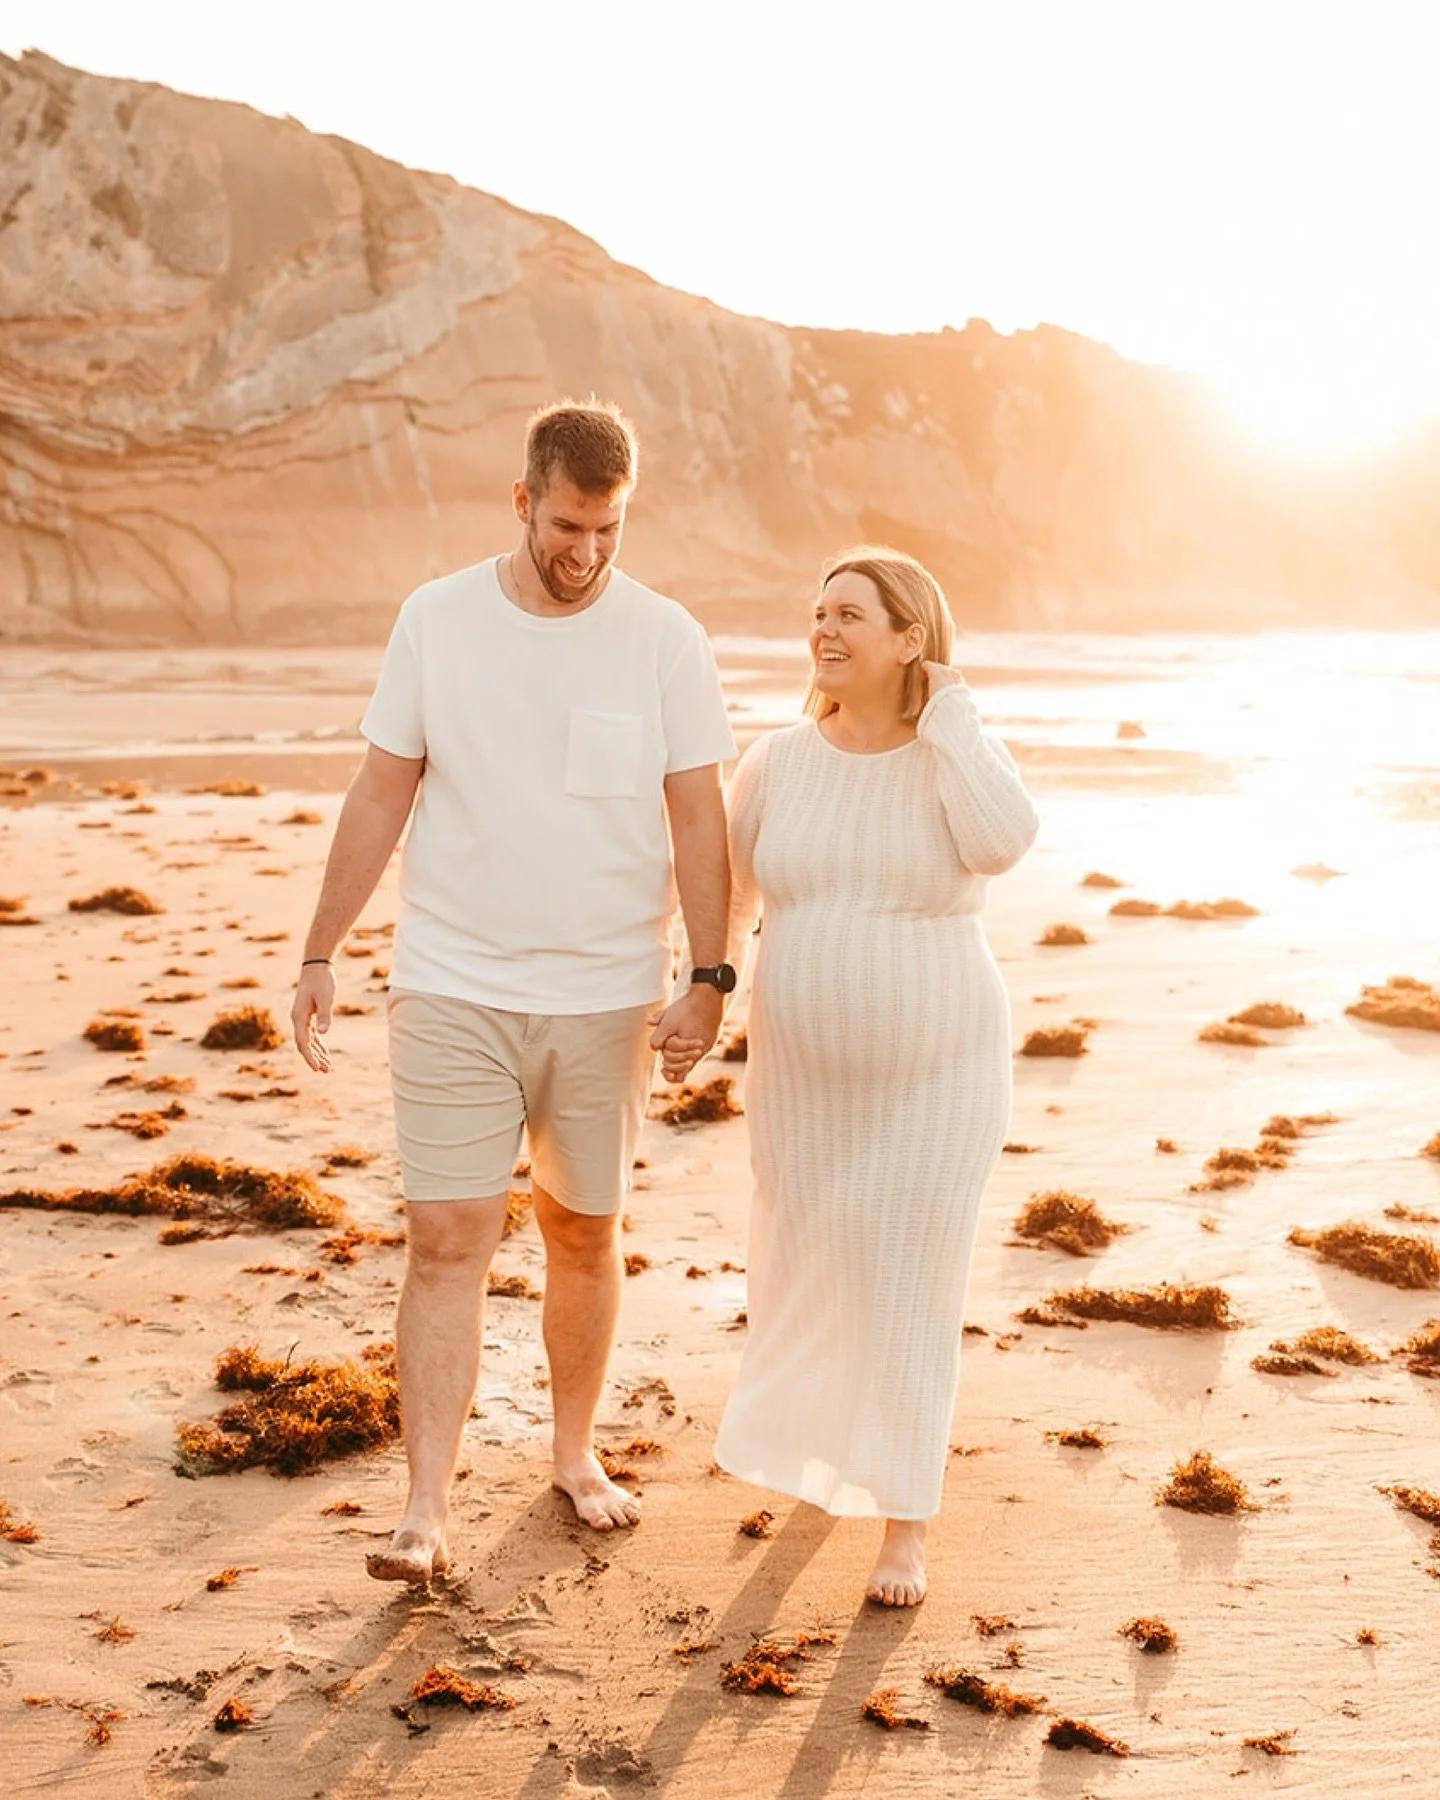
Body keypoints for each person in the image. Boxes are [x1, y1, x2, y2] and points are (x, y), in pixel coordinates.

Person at [291, 399, 737, 1584]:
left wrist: (709, 977)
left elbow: (698, 813)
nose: (586, 553)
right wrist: (320, 950)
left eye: (610, 529)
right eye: (570, 525)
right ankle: (424, 1509)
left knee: (583, 1230)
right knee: (447, 1238)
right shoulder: (437, 621)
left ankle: (574, 1452)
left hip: (605, 995)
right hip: (451, 981)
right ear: (524, 500)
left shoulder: (664, 639)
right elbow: (382, 790)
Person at [713, 546, 1038, 1606]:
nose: (825, 629)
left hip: (940, 1069)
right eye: (818, 612)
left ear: (911, 637)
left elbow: (1004, 841)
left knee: (906, 1276)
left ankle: (905, 1521)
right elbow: (726, 895)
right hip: (803, 1080)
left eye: (852, 613)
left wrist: (951, 718)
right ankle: (823, 1459)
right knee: (811, 1262)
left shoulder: (955, 755)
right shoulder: (775, 761)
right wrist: (699, 990)